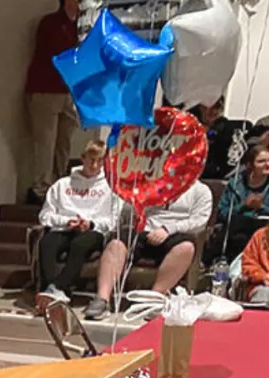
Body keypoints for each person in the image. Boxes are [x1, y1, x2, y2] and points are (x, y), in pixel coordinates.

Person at [88, 180, 213, 320]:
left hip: (174, 234)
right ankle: (102, 298)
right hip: (143, 230)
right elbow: (127, 210)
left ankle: (153, 299)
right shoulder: (149, 183)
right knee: (116, 243)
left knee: (186, 247)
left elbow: (199, 221)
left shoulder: (200, 190)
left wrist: (168, 229)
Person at [34, 138, 121, 307]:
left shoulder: (110, 188)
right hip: (63, 228)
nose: (94, 165)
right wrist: (66, 221)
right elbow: (45, 215)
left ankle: (58, 288)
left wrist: (91, 224)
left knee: (81, 244)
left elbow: (113, 220)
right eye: (91, 160)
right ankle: (50, 289)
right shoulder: (62, 184)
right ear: (83, 158)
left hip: (92, 231)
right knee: (47, 242)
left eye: (99, 161)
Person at [23, 0, 82, 204]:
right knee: (46, 141)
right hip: (46, 89)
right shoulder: (50, 24)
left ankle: (59, 185)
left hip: (70, 92)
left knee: (64, 141)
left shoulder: (82, 27)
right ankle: (41, 188)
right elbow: (58, 55)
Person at [213, 144, 269, 262]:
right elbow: (223, 213)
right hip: (237, 229)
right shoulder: (236, 183)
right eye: (261, 161)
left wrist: (261, 207)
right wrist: (243, 206)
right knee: (238, 233)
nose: (268, 164)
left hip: (267, 226)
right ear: (250, 165)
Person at [193, 97, 250, 181]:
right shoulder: (192, 124)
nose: (214, 112)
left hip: (218, 174)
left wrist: (209, 132)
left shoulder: (225, 126)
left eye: (217, 108)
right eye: (210, 108)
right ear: (200, 108)